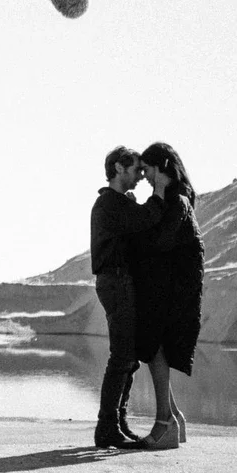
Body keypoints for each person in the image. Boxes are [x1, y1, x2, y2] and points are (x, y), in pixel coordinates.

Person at [130, 141, 203, 451]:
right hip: (171, 286)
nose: (144, 175)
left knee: (155, 346)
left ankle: (165, 425)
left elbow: (159, 243)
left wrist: (155, 197)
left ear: (161, 168)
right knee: (153, 347)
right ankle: (174, 420)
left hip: (173, 290)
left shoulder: (175, 201)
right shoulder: (175, 199)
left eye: (147, 169)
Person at [90, 146, 164, 448]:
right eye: (135, 171)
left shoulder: (116, 203)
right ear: (119, 168)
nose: (139, 178)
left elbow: (136, 226)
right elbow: (146, 219)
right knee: (122, 357)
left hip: (118, 282)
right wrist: (159, 192)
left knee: (128, 358)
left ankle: (116, 423)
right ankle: (106, 428)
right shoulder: (110, 203)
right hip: (116, 282)